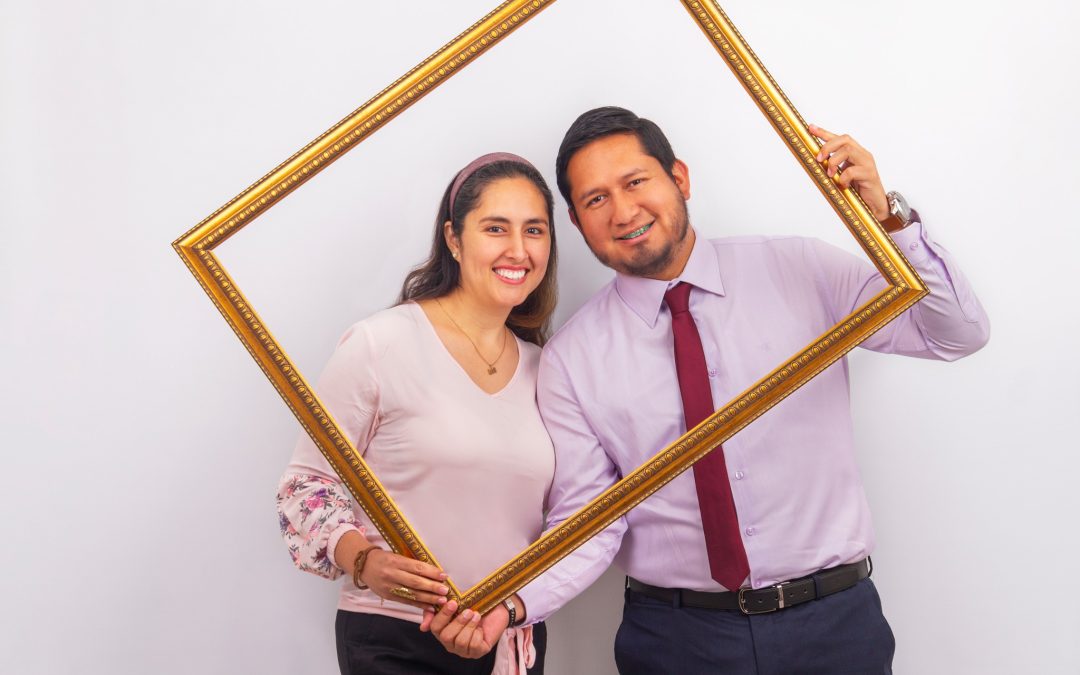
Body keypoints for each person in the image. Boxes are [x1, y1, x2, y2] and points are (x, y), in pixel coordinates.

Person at [433, 106, 990, 673]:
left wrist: (890, 221)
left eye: (635, 182)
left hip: (833, 627)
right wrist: (511, 603)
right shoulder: (571, 360)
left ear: (680, 178)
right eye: (596, 199)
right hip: (675, 641)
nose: (623, 211)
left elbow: (954, 335)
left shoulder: (802, 269)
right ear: (577, 222)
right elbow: (590, 520)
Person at [277, 152, 559, 675]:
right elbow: (307, 485)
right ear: (454, 238)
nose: (518, 250)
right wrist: (364, 561)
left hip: (507, 641)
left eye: (535, 230)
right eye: (496, 228)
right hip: (395, 637)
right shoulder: (379, 344)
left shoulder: (550, 370)